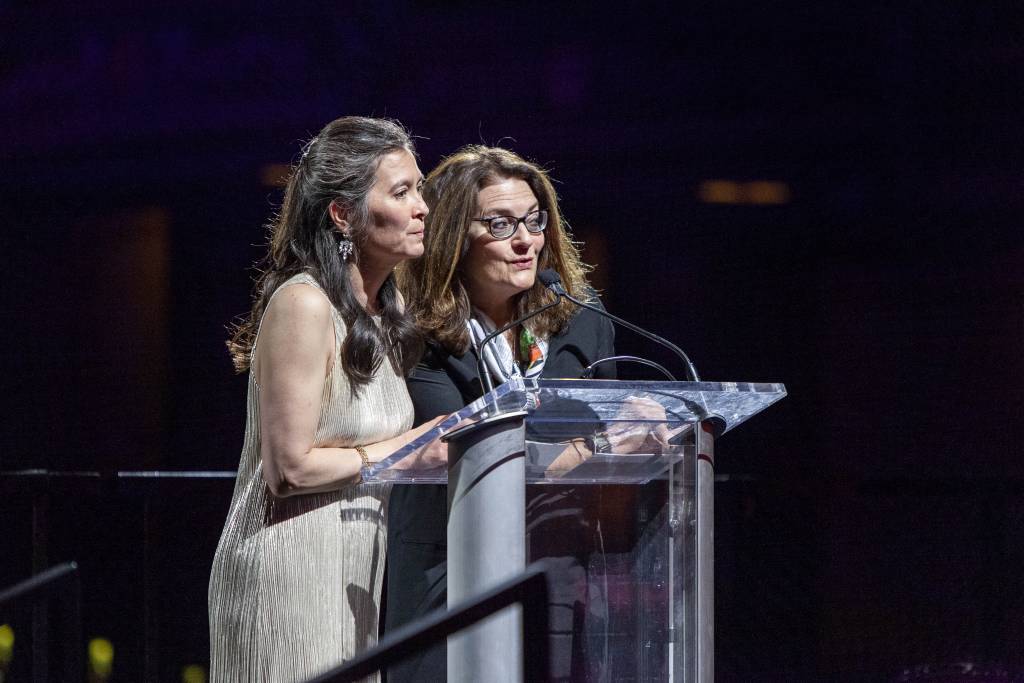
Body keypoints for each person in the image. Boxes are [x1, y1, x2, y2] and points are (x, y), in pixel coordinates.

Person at [208, 116, 444, 682]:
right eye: (401, 191)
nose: (423, 208)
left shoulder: (383, 314)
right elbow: (287, 468)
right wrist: (407, 450)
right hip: (287, 564)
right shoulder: (304, 304)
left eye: (420, 190)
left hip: (352, 564)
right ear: (343, 214)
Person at [386, 146, 619, 682]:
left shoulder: (581, 323)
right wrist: (596, 448)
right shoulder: (417, 335)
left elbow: (613, 426)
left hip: (555, 564)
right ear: (452, 238)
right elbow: (470, 457)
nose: (525, 241)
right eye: (500, 224)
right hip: (446, 569)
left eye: (534, 221)